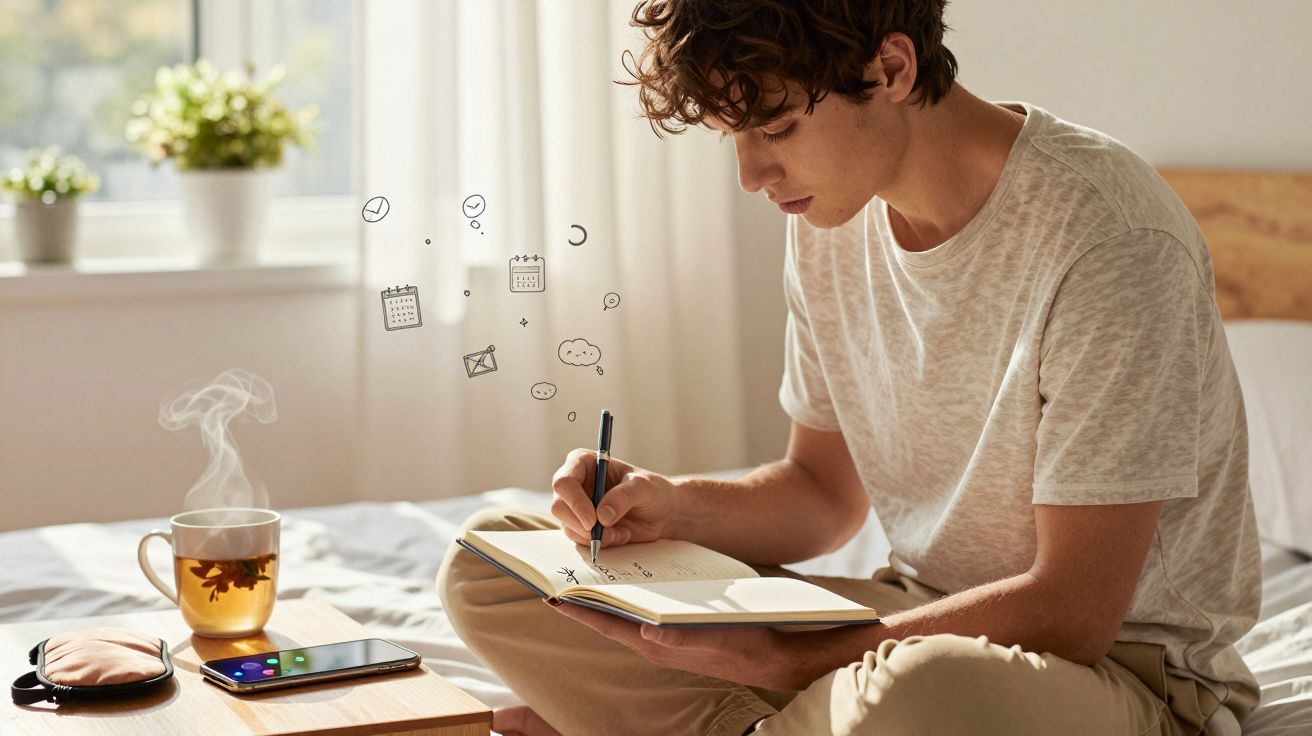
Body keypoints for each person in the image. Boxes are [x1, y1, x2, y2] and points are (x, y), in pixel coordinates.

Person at [437, 1, 1261, 734]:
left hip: (1114, 675)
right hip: (907, 621)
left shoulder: (1110, 240)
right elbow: (823, 497)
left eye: (777, 128)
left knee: (920, 694)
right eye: (735, 137)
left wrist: (810, 659)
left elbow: (1074, 611)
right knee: (494, 563)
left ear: (891, 69)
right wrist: (666, 507)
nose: (752, 176)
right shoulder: (830, 217)